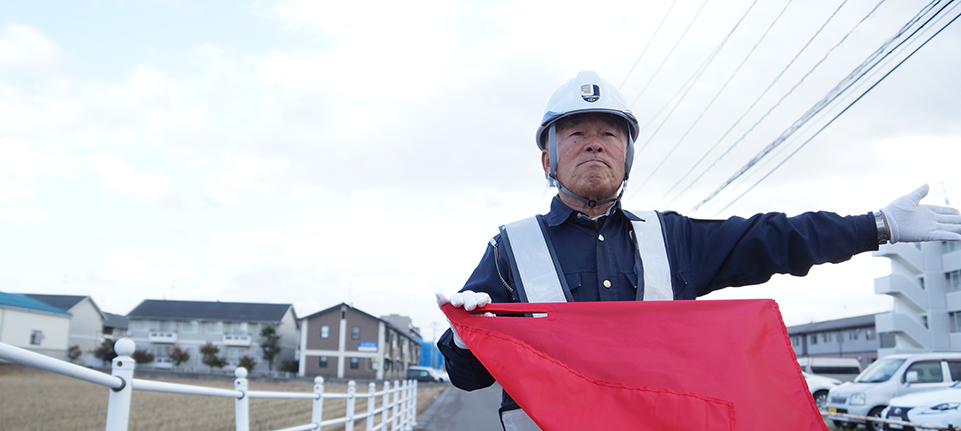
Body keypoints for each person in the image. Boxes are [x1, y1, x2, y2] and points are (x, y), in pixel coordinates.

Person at [435, 71, 961, 430]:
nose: (594, 143)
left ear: (627, 157)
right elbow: (469, 374)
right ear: (547, 161)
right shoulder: (511, 248)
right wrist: (464, 335)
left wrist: (879, 226)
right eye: (574, 133)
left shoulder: (674, 238)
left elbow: (777, 237)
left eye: (610, 134)